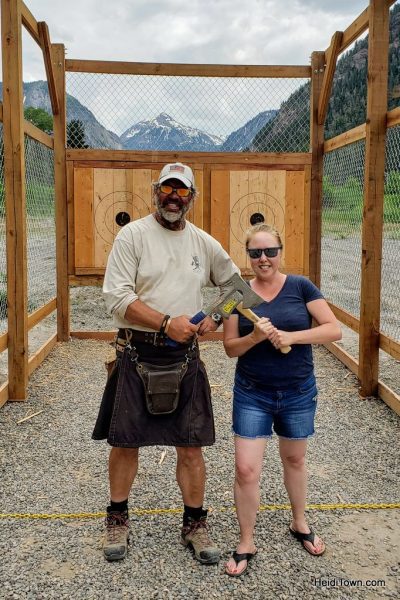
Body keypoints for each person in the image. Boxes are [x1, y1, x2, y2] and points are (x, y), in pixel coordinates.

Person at [92, 162, 239, 564]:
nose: (174, 197)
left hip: (184, 355)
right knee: (125, 443)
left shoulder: (204, 243)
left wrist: (216, 316)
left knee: (190, 446)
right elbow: (116, 298)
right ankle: (117, 518)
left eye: (182, 191)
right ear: (155, 190)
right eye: (167, 189)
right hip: (136, 352)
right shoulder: (133, 235)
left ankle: (194, 523)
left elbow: (238, 287)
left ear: (192, 198)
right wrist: (163, 322)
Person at [223, 223, 341, 577]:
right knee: (246, 469)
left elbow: (333, 329)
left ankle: (299, 522)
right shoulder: (235, 293)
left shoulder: (301, 286)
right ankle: (246, 540)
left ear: (280, 252)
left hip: (297, 390)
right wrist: (257, 337)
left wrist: (290, 334)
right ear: (248, 256)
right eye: (256, 253)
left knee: (294, 458)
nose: (264, 259)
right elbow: (230, 348)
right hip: (252, 392)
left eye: (270, 251)